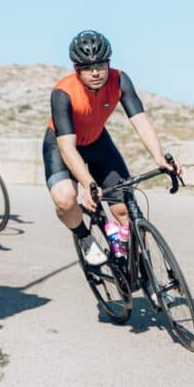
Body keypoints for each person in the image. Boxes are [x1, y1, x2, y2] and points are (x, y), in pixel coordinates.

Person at [44, 29, 182, 266]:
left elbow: (140, 121)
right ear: (77, 69)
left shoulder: (120, 80)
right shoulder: (63, 92)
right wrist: (89, 184)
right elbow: (67, 148)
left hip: (98, 142)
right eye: (88, 67)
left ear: (109, 63)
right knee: (66, 200)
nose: (96, 72)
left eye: (100, 65)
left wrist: (160, 157)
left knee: (124, 210)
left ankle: (142, 268)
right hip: (62, 145)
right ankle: (85, 238)